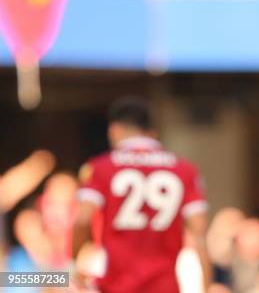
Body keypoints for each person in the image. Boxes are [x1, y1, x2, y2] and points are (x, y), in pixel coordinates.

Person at [72, 96, 211, 292]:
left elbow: (82, 220)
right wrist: (206, 285)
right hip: (164, 285)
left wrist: (74, 262)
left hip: (116, 284)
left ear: (114, 129)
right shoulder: (185, 170)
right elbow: (199, 234)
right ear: (152, 133)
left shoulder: (101, 167)